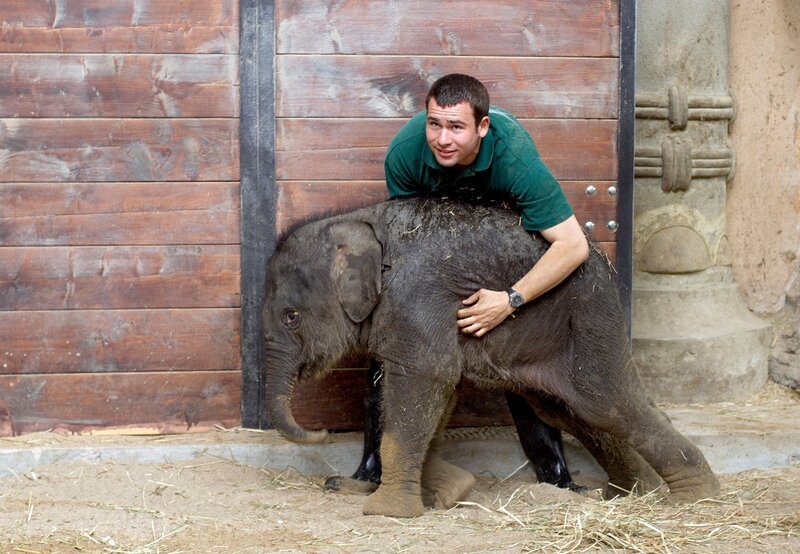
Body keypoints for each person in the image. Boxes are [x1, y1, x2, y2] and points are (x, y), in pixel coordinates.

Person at [325, 73, 590, 497]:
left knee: (522, 352)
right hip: (437, 254)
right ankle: (372, 472)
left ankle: (556, 479)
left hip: (501, 262)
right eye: (434, 124)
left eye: (456, 127)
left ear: (483, 128)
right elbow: (410, 241)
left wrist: (510, 300)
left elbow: (573, 245)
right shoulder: (405, 155)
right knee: (393, 345)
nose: (442, 138)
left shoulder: (514, 157)